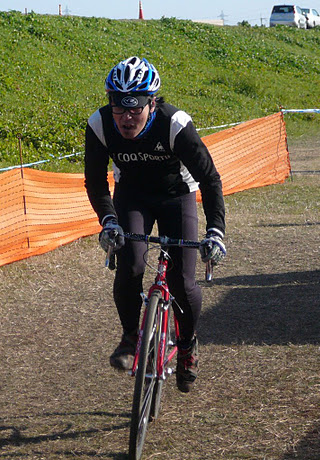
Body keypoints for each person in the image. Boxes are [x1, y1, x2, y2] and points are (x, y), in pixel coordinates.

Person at [84, 56, 226, 393]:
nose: (126, 118)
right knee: (131, 263)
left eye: (135, 110)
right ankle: (131, 337)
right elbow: (94, 181)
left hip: (177, 194)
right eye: (119, 109)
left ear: (152, 103)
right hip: (133, 195)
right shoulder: (100, 125)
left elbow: (210, 179)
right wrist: (108, 221)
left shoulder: (174, 124)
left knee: (181, 280)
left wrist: (215, 231)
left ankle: (188, 345)